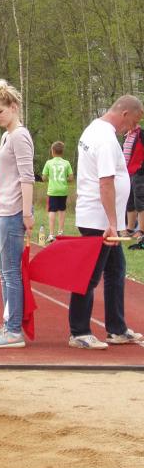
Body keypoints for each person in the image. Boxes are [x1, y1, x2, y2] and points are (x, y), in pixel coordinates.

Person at [68, 95, 144, 349]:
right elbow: (106, 182)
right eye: (135, 120)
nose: (134, 127)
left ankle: (117, 328)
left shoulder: (95, 129)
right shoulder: (106, 139)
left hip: (100, 218)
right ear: (125, 114)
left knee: (116, 271)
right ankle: (79, 331)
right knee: (89, 275)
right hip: (99, 221)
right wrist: (113, 222)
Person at [0, 79, 34, 349]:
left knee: (11, 273)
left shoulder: (20, 136)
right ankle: (8, 324)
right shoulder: (6, 137)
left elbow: (27, 177)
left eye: (0, 111)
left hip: (14, 212)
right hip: (2, 211)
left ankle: (14, 330)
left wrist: (27, 213)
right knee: (4, 273)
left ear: (13, 107)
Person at [41, 141, 74, 243]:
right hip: (63, 190)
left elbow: (43, 177)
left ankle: (51, 234)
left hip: (53, 191)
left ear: (52, 151)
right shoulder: (66, 163)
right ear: (62, 152)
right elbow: (71, 178)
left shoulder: (49, 163)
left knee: (52, 211)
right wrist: (64, 179)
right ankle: (60, 232)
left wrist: (50, 178)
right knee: (62, 210)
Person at [123, 122, 144, 240]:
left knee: (140, 201)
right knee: (130, 201)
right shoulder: (127, 135)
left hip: (139, 172)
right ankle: (130, 229)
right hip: (128, 173)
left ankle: (141, 231)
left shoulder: (141, 133)